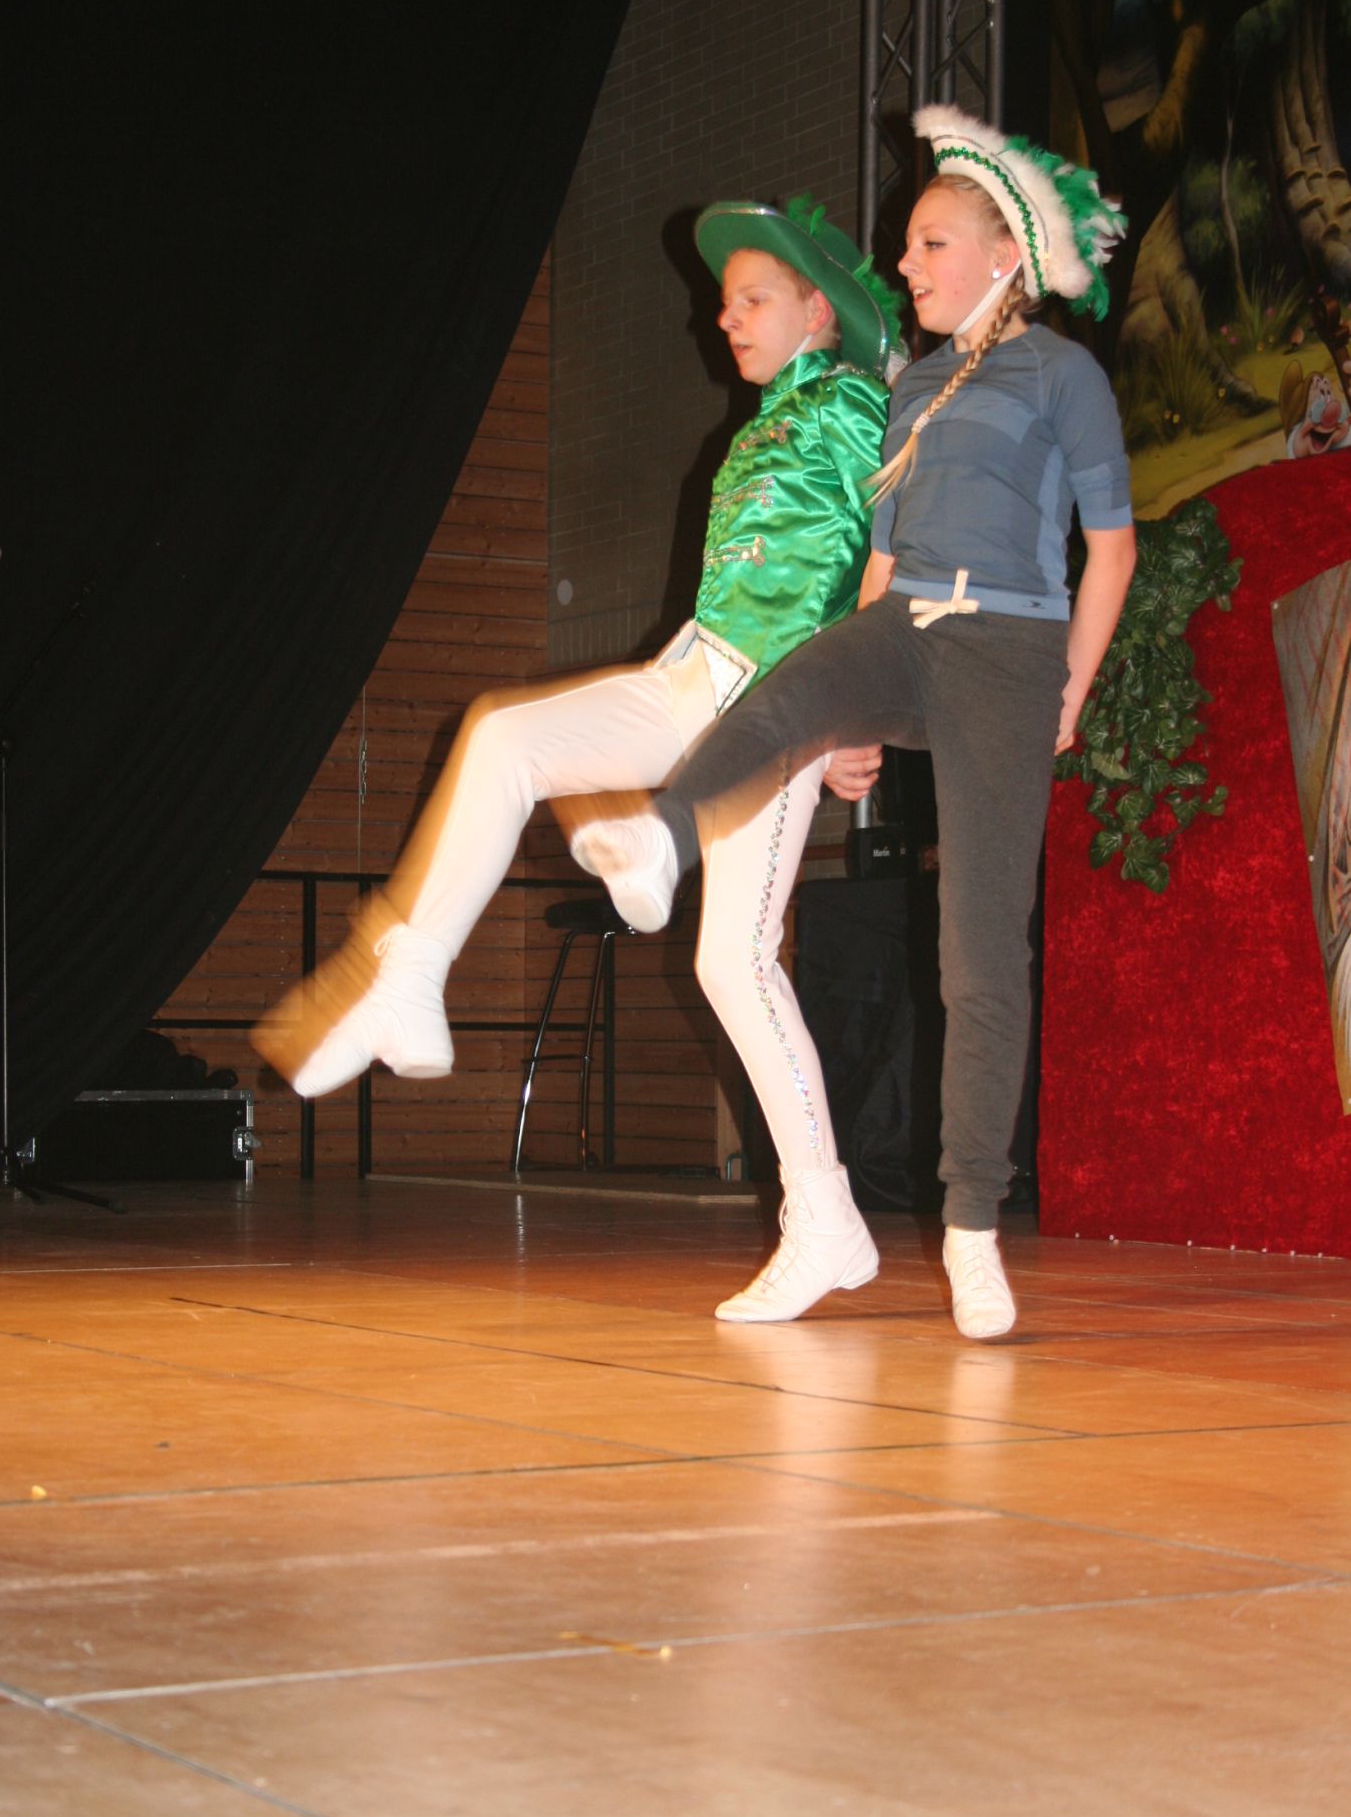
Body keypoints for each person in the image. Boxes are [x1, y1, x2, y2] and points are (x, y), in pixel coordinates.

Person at [252, 196, 907, 1322]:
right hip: (693, 671)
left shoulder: (852, 403)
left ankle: (824, 1216)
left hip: (776, 704)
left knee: (734, 964)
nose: (724, 318)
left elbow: (887, 559)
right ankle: (412, 971)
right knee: (504, 736)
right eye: (724, 302)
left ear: (818, 311)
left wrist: (858, 714)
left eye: (752, 299)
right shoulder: (757, 429)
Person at [575, 106, 1138, 1340]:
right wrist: (844, 710)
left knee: (977, 953)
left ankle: (972, 1229)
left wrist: (1074, 685)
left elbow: (1110, 545)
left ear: (1004, 254)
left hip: (1007, 653)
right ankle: (663, 835)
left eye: (932, 242)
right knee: (787, 686)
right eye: (908, 243)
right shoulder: (916, 387)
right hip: (904, 629)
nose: (906, 262)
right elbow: (879, 565)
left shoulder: (1063, 377)